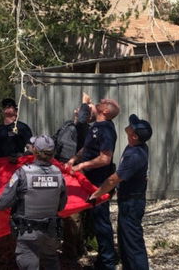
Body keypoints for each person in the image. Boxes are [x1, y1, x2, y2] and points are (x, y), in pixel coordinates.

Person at [0, 135, 68, 270]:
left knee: (29, 261)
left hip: (28, 232)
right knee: (51, 260)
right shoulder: (59, 174)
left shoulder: (22, 173)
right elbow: (61, 205)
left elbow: (3, 203)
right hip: (50, 231)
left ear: (34, 150)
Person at [88, 115, 152, 270]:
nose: (129, 125)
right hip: (127, 200)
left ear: (134, 136)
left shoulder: (135, 155)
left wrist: (95, 194)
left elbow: (113, 180)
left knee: (133, 243)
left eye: (132, 126)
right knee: (124, 241)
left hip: (132, 203)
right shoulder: (134, 146)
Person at [67, 97, 120, 269]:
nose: (101, 100)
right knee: (95, 220)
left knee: (101, 221)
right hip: (88, 179)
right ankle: (101, 257)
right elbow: (87, 148)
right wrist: (74, 159)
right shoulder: (96, 126)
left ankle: (107, 261)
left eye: (104, 101)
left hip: (99, 182)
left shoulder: (105, 129)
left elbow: (105, 158)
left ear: (105, 111)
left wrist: (81, 165)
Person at [54, 92, 95, 163]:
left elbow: (81, 121)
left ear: (89, 116)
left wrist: (85, 102)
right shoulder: (68, 123)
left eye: (87, 109)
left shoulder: (86, 130)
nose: (82, 107)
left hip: (72, 166)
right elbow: (55, 138)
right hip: (58, 163)